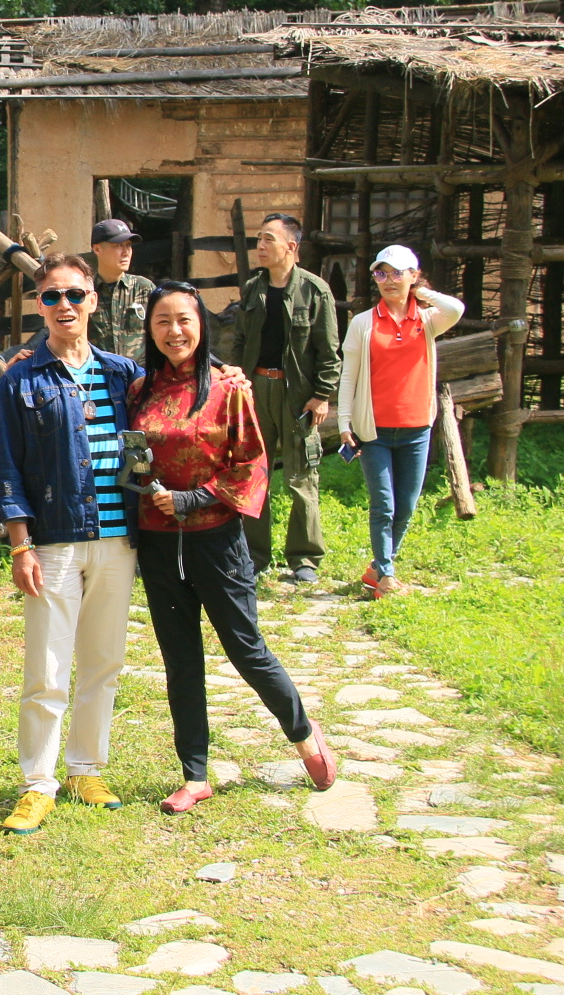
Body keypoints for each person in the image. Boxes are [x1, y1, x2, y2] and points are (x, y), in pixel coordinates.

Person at [130, 282, 336, 814]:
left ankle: (303, 733)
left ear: (201, 325)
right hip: (157, 544)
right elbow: (131, 458)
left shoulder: (229, 388)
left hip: (215, 543)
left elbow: (251, 463)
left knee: (245, 647)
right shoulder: (139, 390)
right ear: (151, 331)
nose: (175, 331)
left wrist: (194, 498)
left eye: (184, 320)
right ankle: (194, 774)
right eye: (162, 322)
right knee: (180, 659)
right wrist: (148, 489)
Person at [0, 254, 141, 834]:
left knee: (103, 661)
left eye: (75, 294)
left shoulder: (122, 373)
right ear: (39, 304)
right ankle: (38, 782)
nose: (65, 306)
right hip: (53, 540)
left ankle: (85, 768)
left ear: (94, 300)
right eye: (52, 296)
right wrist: (20, 544)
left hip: (116, 537)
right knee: (47, 667)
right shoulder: (21, 378)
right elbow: (8, 466)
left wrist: (230, 375)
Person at [338, 245, 464, 598]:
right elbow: (349, 377)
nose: (388, 281)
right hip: (373, 429)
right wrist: (345, 422)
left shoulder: (426, 320)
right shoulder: (363, 322)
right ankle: (388, 576)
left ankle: (377, 568)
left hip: (416, 428)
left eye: (397, 273)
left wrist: (421, 292)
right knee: (384, 504)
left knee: (406, 506)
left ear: (413, 275)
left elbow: (455, 309)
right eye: (381, 273)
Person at [222, 212, 341, 585]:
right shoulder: (254, 288)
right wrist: (237, 380)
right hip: (256, 389)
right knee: (254, 473)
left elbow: (329, 349)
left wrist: (322, 395)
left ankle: (304, 558)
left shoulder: (315, 290)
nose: (260, 246)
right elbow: (240, 340)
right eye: (259, 239)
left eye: (268, 239)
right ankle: (255, 556)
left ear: (291, 247)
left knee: (302, 474)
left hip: (298, 395)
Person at [87, 218, 157, 362]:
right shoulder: (85, 292)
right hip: (99, 378)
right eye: (118, 245)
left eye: (129, 245)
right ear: (97, 249)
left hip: (140, 377)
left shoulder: (144, 288)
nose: (126, 252)